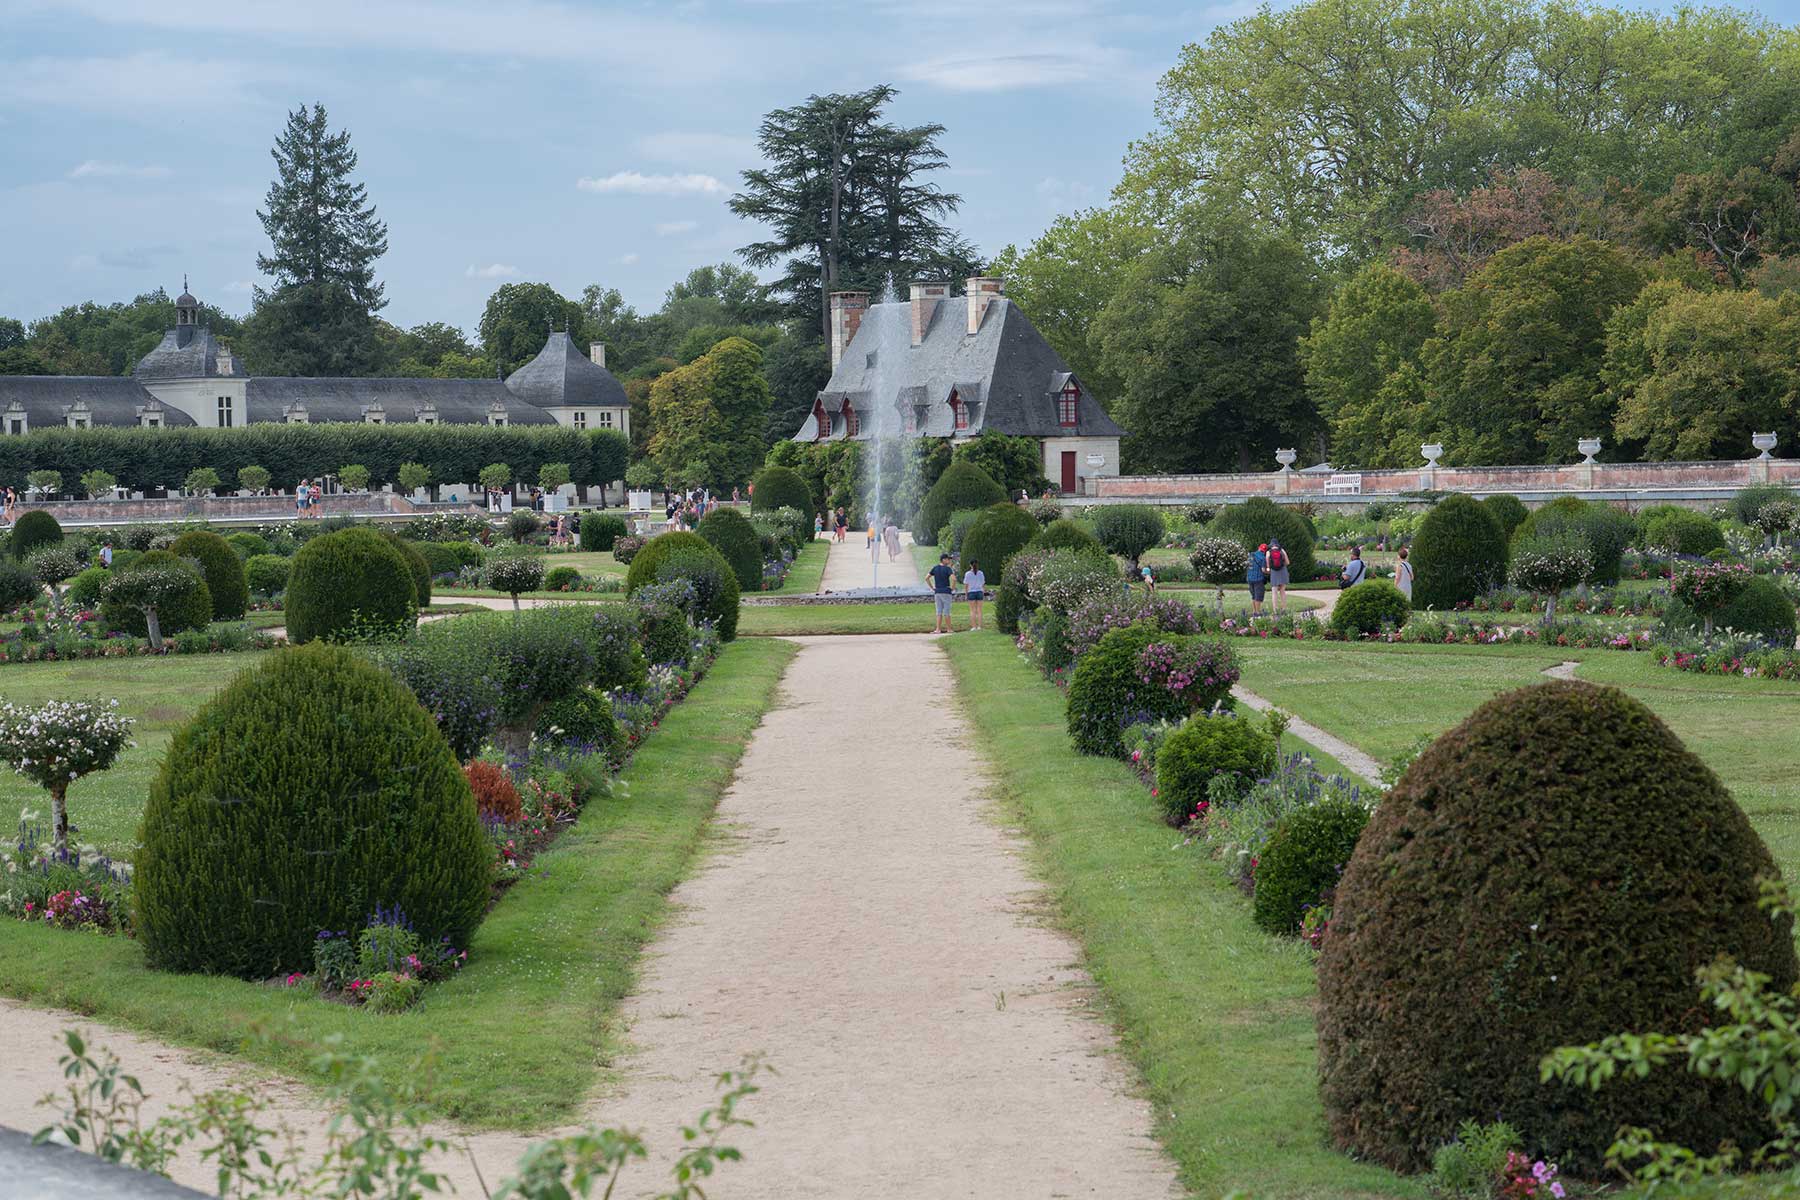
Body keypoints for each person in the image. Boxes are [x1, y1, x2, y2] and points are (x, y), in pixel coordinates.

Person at [928, 552, 956, 633]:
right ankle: (949, 629)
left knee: (939, 612)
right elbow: (954, 579)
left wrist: (932, 587)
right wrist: (952, 588)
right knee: (947, 611)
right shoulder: (947, 569)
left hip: (937, 592)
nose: (949, 561)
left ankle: (938, 629)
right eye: (947, 559)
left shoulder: (935, 568)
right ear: (943, 560)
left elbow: (927, 578)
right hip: (946, 591)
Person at [1268, 538, 1290, 614]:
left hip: (1274, 572)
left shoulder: (1268, 552)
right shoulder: (1282, 550)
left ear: (1271, 545)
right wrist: (1282, 564)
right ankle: (1284, 609)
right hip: (1283, 571)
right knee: (1282, 591)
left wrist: (1269, 568)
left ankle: (1275, 610)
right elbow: (1287, 562)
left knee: (1274, 592)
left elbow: (1268, 564)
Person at [964, 558, 986, 630]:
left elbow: (966, 585)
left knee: (972, 610)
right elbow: (983, 584)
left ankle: (974, 627)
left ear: (970, 565)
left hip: (971, 592)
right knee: (979, 610)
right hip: (979, 591)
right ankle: (979, 626)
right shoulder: (981, 573)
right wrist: (983, 592)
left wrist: (966, 594)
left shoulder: (967, 574)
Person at [1247, 542, 1269, 616]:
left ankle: (1254, 611)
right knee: (1258, 596)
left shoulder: (1251, 555)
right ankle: (1258, 612)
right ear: (1265, 551)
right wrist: (1270, 572)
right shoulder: (1263, 558)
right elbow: (1263, 570)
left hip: (1249, 578)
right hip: (1258, 579)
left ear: (1259, 548)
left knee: (1253, 596)